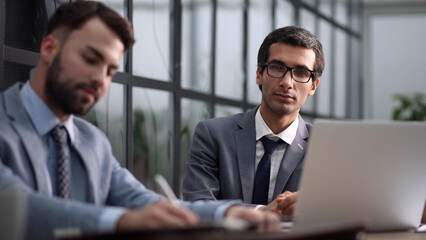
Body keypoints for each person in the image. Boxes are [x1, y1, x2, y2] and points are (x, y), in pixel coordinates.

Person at [0, 1, 280, 240]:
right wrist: (121, 222)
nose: (100, 79)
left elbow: (148, 204)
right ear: (49, 49)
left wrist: (228, 212)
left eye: (110, 70)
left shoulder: (92, 141)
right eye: (90, 59)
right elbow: (16, 207)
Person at [182, 26, 324, 216]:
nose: (287, 82)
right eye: (277, 68)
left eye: (301, 73)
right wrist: (261, 212)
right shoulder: (213, 135)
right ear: (259, 75)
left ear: (314, 85)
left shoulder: (324, 147)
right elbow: (197, 205)